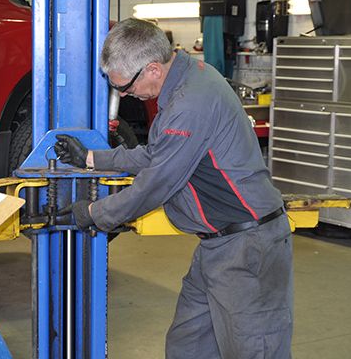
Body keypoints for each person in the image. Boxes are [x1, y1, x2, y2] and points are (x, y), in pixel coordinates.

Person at [54, 18, 293, 358]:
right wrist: (93, 158)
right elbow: (158, 153)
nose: (123, 94)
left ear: (152, 68)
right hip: (216, 246)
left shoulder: (190, 103)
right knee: (188, 345)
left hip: (246, 249)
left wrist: (93, 213)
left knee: (255, 352)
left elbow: (158, 183)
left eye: (125, 86)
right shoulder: (185, 79)